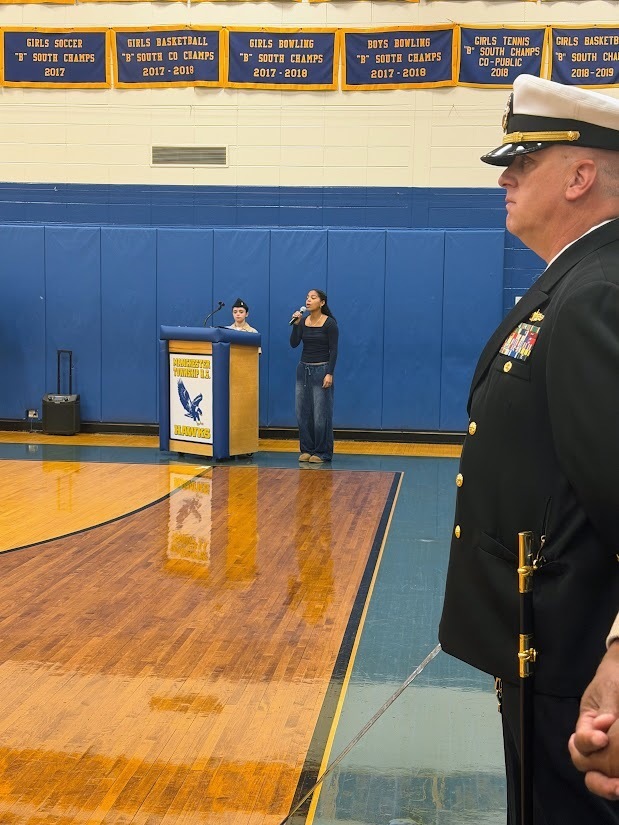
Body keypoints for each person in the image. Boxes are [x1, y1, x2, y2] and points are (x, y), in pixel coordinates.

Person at [438, 73, 619, 824]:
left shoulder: (594, 292)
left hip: (576, 666)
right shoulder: (573, 281)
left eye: (525, 161)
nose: (505, 176)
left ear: (580, 175)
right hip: (542, 648)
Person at [289, 289, 338, 464]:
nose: (308, 300)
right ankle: (307, 449)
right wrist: (296, 325)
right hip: (303, 370)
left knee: (320, 414)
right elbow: (294, 343)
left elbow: (334, 350)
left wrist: (329, 373)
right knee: (302, 411)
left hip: (321, 369)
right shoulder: (303, 322)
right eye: (307, 298)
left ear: (322, 302)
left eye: (313, 297)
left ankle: (322, 451)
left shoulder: (330, 323)